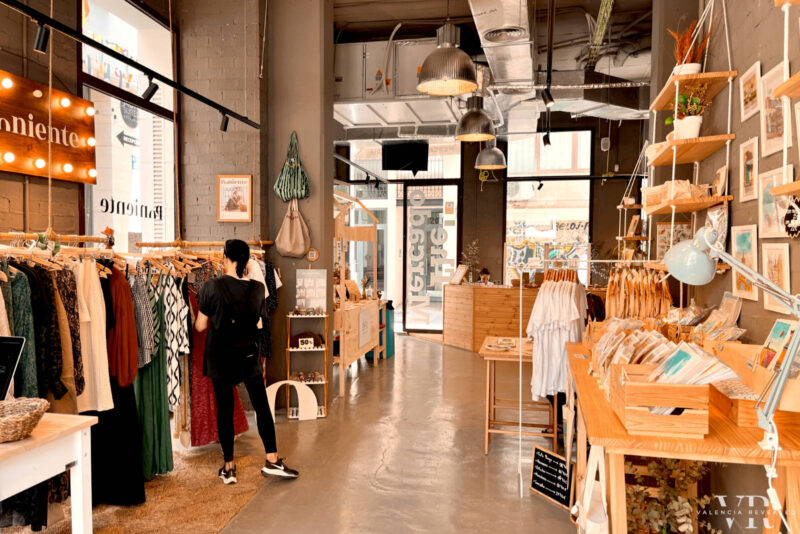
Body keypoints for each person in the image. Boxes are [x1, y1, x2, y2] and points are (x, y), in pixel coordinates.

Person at [195, 239, 299, 484]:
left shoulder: (211, 286)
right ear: (246, 262)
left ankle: (229, 468)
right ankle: (272, 460)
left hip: (220, 357)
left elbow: (200, 326)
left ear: (225, 258)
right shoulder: (257, 289)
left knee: (225, 409)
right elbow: (258, 320)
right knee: (261, 407)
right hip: (249, 355)